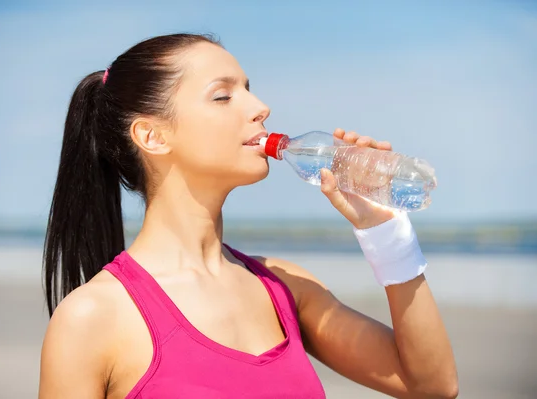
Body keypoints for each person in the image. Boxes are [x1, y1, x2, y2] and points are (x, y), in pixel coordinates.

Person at [38, 33, 458, 399]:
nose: (261, 107)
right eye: (223, 96)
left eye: (249, 89)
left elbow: (430, 385)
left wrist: (383, 229)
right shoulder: (93, 317)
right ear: (153, 136)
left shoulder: (285, 288)